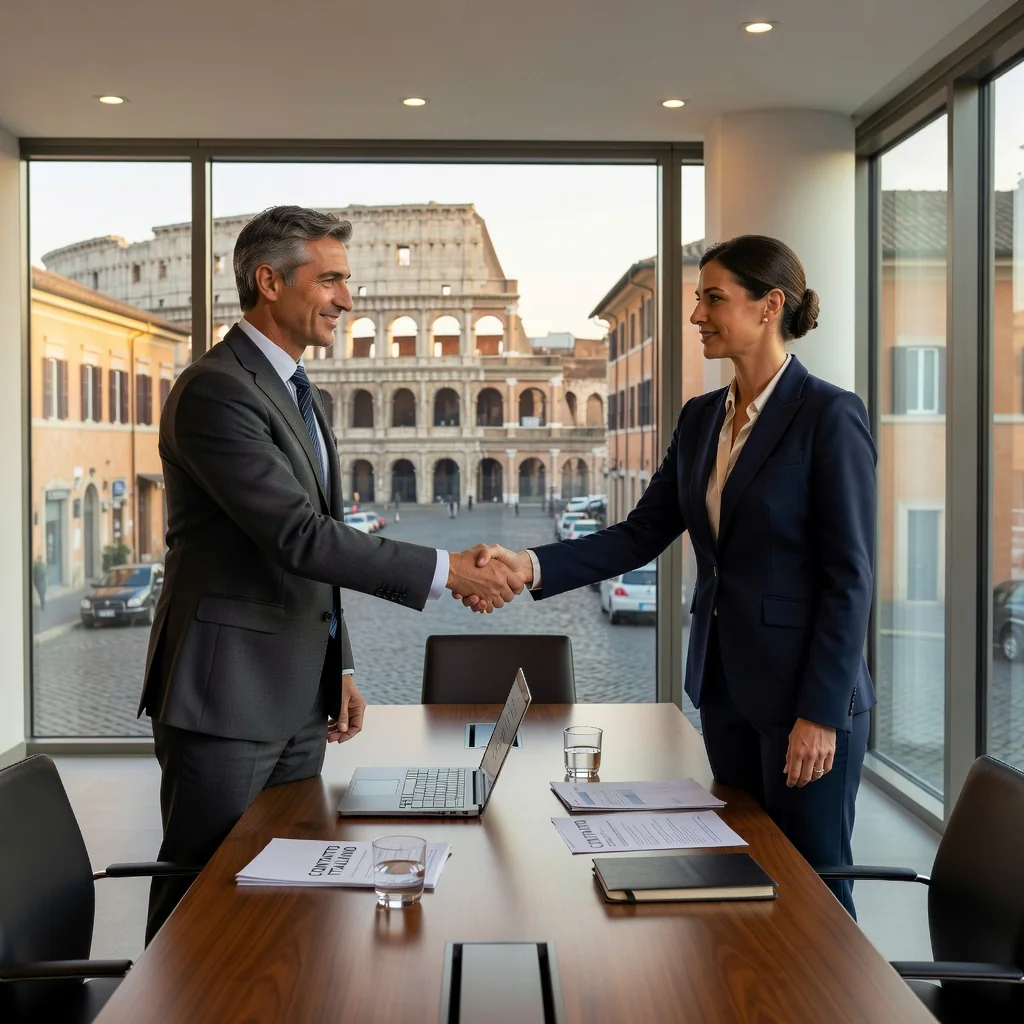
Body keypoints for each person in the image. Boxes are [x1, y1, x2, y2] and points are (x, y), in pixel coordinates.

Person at [139, 205, 522, 942]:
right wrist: (451, 571)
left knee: (284, 890)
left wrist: (335, 663)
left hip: (291, 698)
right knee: (200, 900)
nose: (349, 299)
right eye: (333, 280)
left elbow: (312, 544)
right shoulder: (218, 390)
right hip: (225, 699)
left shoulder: (293, 389)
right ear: (269, 282)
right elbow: (299, 536)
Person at [464, 235, 876, 917]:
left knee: (816, 892)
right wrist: (530, 565)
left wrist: (820, 716)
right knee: (740, 877)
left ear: (770, 305)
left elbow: (850, 577)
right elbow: (640, 533)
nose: (696, 316)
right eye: (697, 299)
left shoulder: (830, 415)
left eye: (713, 298)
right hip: (728, 694)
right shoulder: (701, 419)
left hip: (808, 704)